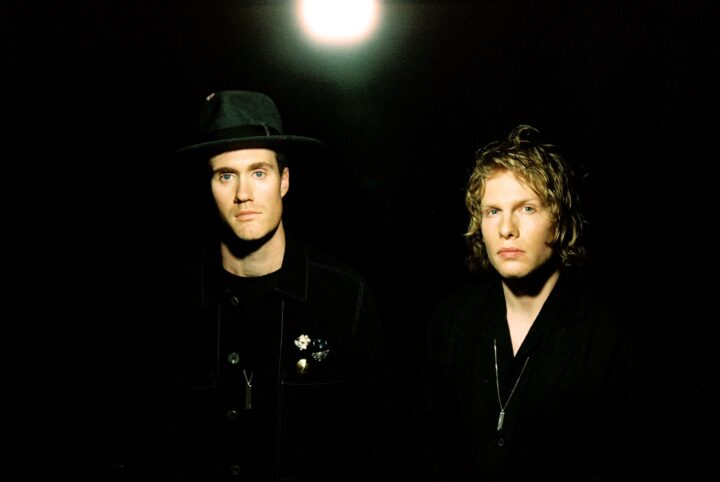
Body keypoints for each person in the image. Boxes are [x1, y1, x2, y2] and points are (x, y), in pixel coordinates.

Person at [106, 90, 389, 482]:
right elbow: (137, 439)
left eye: (259, 172)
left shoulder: (345, 297)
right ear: (208, 186)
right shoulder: (166, 301)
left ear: (284, 181)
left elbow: (374, 445)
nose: (243, 194)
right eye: (226, 175)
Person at [414, 125, 645, 481]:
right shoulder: (452, 321)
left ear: (559, 221)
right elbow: (428, 442)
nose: (507, 228)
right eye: (492, 211)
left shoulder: (610, 333)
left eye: (527, 208)